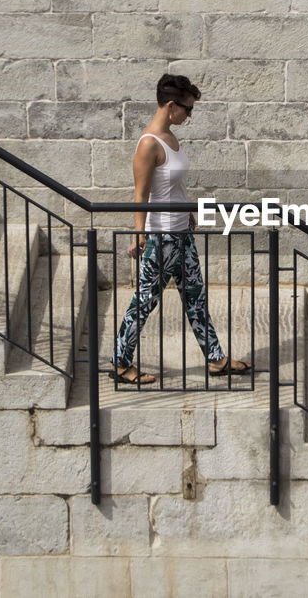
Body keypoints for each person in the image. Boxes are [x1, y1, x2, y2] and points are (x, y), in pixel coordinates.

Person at [111, 73, 251, 384]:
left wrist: (187, 210)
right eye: (188, 110)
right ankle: (120, 364)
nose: (190, 116)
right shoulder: (148, 144)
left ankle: (216, 359)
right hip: (160, 238)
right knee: (144, 302)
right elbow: (141, 194)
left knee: (195, 298)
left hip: (181, 234)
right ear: (171, 106)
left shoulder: (171, 138)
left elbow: (172, 186)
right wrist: (140, 233)